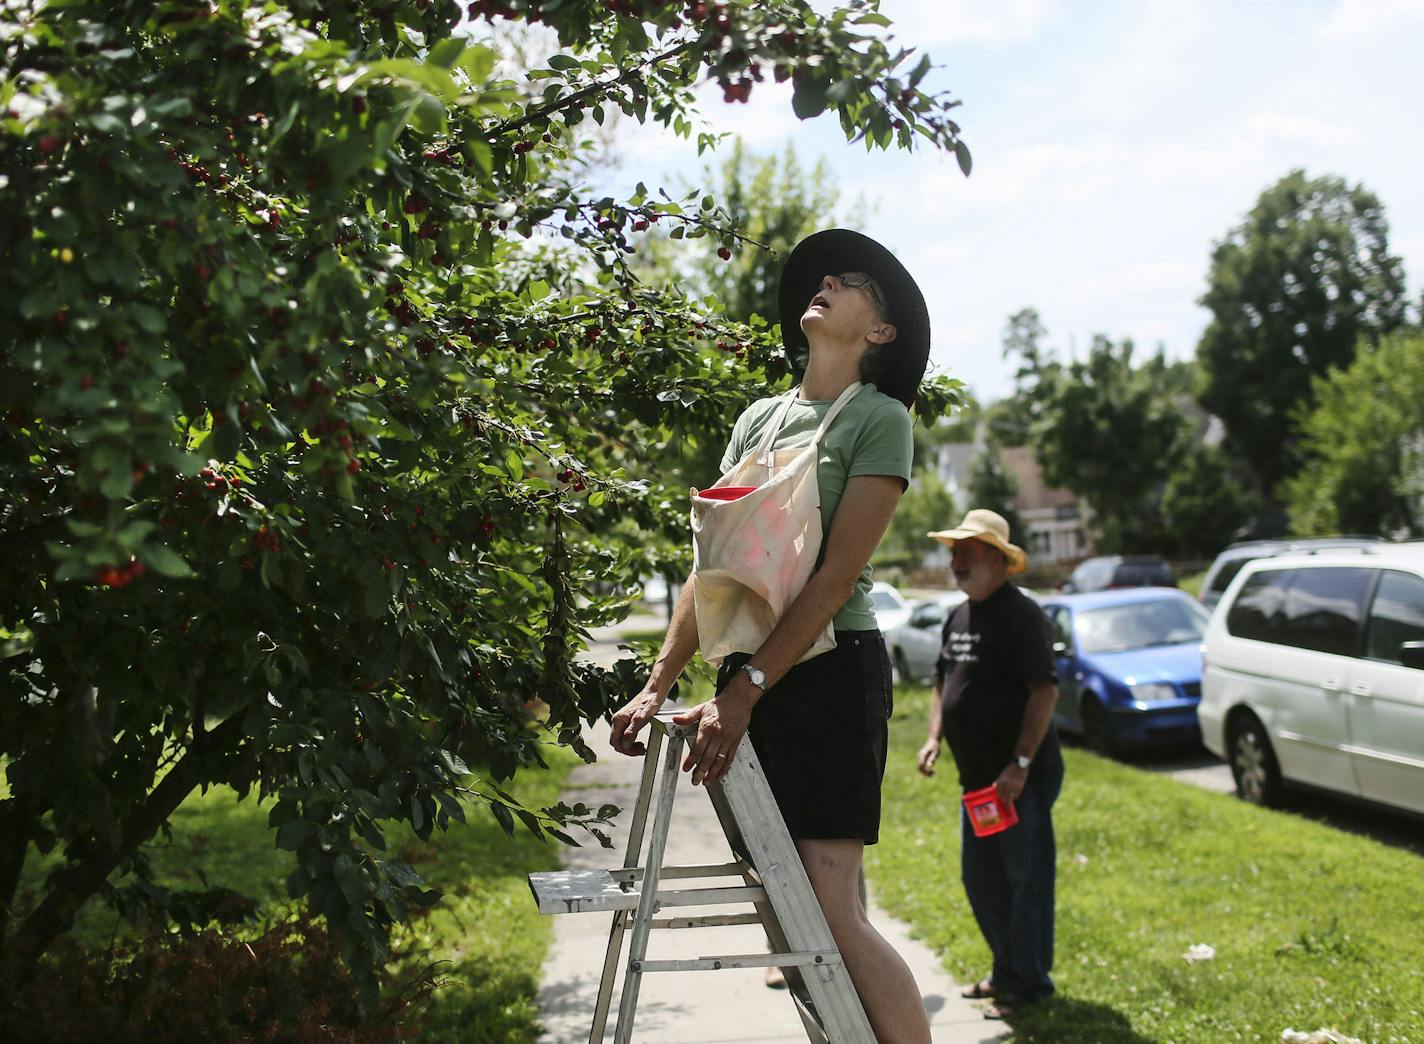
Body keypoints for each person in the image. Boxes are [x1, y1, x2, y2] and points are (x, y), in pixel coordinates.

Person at [609, 228, 933, 1042]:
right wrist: (658, 682)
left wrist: (745, 692)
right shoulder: (759, 418)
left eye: (849, 279)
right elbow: (710, 573)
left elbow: (832, 582)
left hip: (828, 675)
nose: (824, 280)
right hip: (753, 679)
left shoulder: (881, 420)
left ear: (880, 331)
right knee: (780, 911)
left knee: (828, 901)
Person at [916, 509, 1063, 1020]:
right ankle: (1007, 972)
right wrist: (934, 735)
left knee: (1025, 879)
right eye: (954, 550)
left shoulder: (1022, 615)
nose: (955, 559)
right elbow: (941, 681)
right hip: (980, 785)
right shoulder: (958, 614)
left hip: (1018, 781)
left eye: (967, 550)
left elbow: (1044, 691)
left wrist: (1020, 763)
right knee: (983, 880)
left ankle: (1030, 985)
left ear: (999, 559)